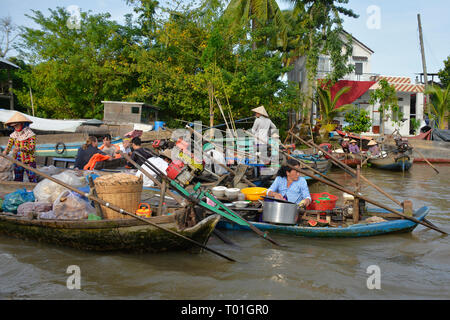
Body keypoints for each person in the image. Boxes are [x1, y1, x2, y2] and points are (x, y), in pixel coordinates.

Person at [2, 112, 37, 182]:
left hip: (29, 161)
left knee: (32, 178)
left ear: (22, 124)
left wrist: (21, 148)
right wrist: (4, 154)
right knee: (18, 179)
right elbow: (8, 147)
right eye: (14, 126)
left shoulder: (30, 134)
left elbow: (31, 148)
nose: (16, 127)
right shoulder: (13, 135)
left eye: (17, 125)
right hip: (17, 161)